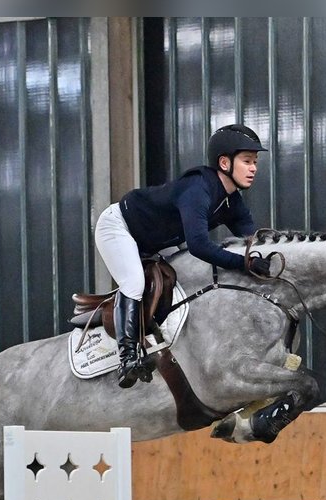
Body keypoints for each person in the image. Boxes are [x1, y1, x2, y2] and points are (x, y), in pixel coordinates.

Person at [93, 123, 272, 388]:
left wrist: (271, 257)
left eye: (255, 161)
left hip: (155, 240)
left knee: (188, 275)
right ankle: (127, 359)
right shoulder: (198, 189)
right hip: (120, 226)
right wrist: (245, 264)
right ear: (225, 163)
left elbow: (254, 243)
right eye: (247, 161)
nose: (254, 168)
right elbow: (199, 246)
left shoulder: (232, 202)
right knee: (134, 283)